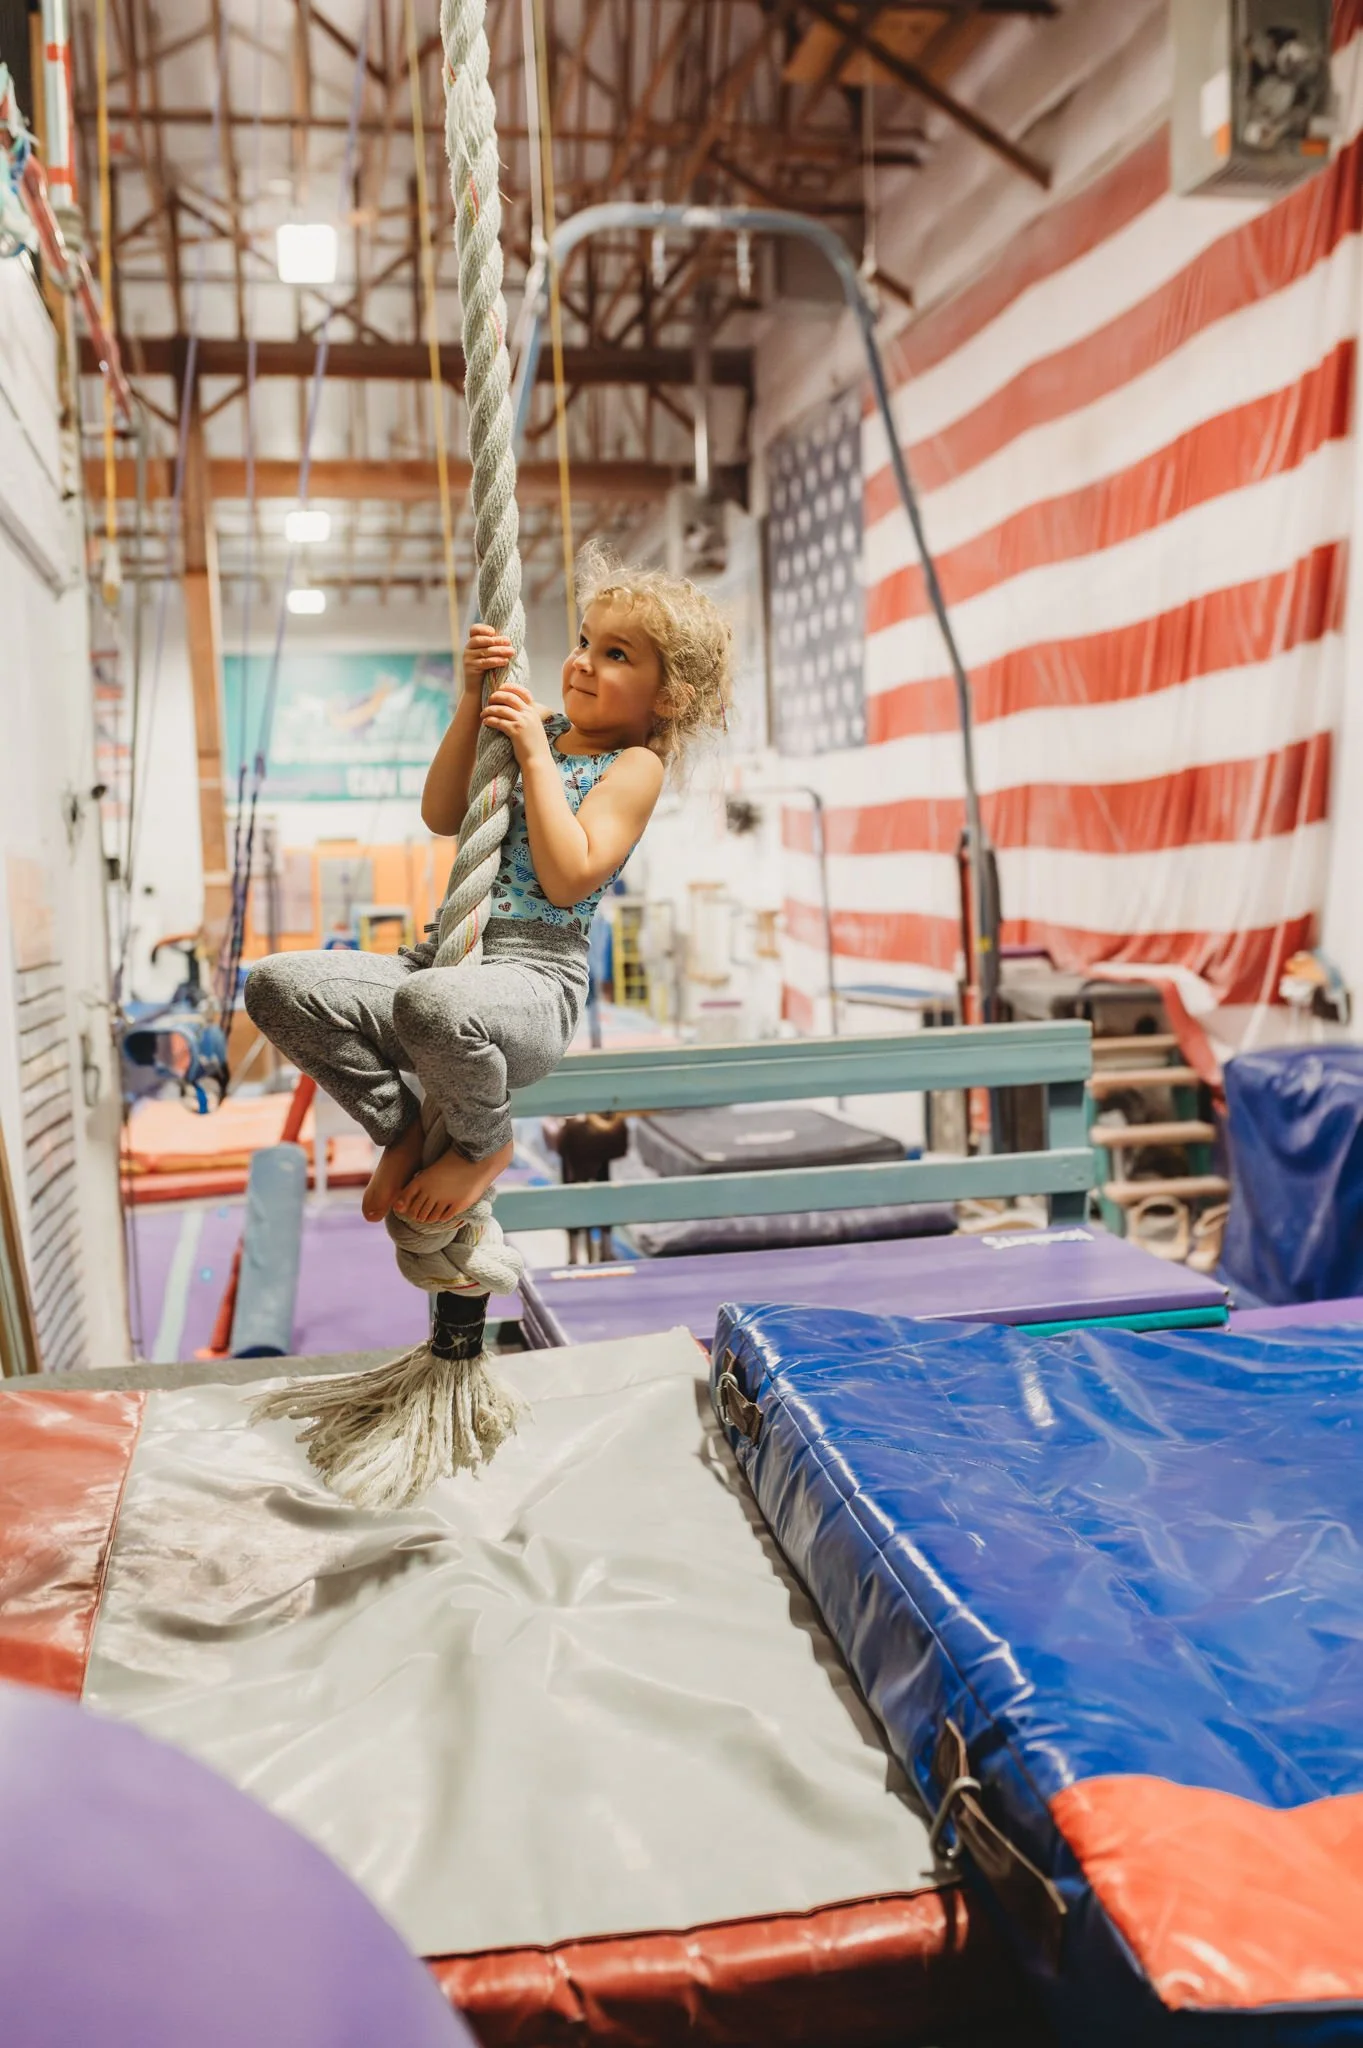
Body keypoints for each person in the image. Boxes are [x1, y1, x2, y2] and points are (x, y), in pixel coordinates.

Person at [244, 550, 732, 1228]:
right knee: (274, 985)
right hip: (442, 962)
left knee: (431, 1002)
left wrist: (533, 753)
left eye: (616, 655)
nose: (583, 662)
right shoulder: (539, 729)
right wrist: (472, 702)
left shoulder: (633, 766)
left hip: (533, 982)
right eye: (585, 641)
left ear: (668, 697)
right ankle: (398, 1127)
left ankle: (483, 1144)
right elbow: (443, 814)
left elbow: (567, 878)